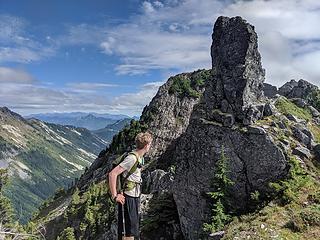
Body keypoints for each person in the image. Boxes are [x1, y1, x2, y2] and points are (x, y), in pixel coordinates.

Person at [108, 132, 153, 240]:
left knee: (132, 229)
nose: (150, 146)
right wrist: (115, 195)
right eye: (150, 144)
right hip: (128, 197)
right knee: (129, 231)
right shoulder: (132, 158)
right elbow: (112, 174)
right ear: (146, 145)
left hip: (134, 195)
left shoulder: (139, 157)